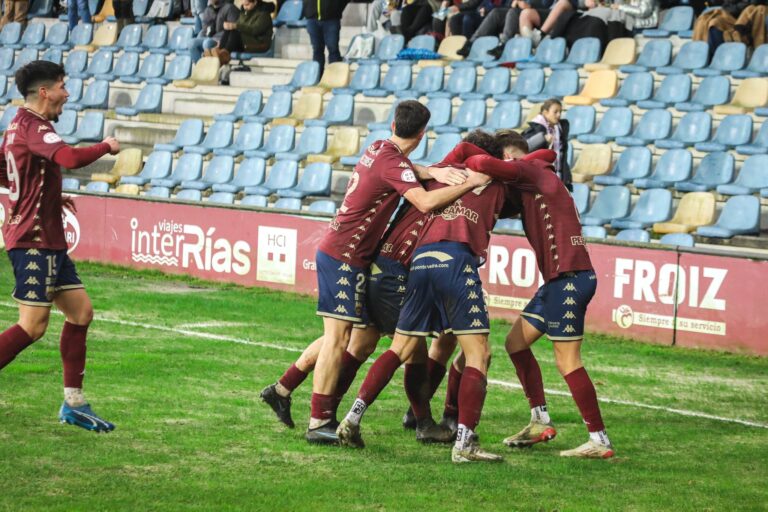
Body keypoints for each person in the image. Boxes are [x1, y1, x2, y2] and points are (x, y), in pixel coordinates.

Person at [305, 100, 490, 443]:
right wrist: (470, 182)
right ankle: (322, 421)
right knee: (354, 342)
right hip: (349, 255)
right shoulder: (398, 165)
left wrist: (432, 171)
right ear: (422, 135)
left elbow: (402, 167)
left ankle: (296, 396)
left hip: (356, 256)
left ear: (392, 124)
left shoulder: (379, 147)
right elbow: (424, 201)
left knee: (365, 342)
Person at [337, 131, 518, 463]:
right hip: (457, 261)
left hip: (419, 263)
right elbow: (526, 180)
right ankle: (464, 442)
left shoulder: (443, 174)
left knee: (400, 348)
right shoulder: (498, 183)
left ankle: (353, 416)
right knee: (479, 354)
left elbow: (431, 166)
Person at [466, 129, 615, 459]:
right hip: (558, 282)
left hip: (570, 279)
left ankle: (599, 439)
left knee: (567, 361)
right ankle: (539, 419)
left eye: (506, 161)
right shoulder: (534, 180)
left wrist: (464, 157)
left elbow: (483, 162)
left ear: (512, 159)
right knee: (515, 344)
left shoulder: (529, 171)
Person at [261, 202, 458, 443]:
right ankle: (419, 421)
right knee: (358, 340)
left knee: (358, 340)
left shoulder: (394, 172)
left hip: (365, 257)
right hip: (355, 257)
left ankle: (290, 394)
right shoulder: (397, 170)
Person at [0, 61, 120, 432]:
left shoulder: (15, 127)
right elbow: (68, 157)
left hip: (47, 239)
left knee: (81, 313)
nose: (67, 93)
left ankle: (74, 404)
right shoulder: (34, 127)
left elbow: (8, 175)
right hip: (34, 243)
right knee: (33, 326)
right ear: (44, 92)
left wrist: (51, 198)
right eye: (62, 87)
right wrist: (106, 146)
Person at [521, 98, 572, 191]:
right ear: (545, 112)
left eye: (560, 111)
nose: (559, 115)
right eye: (555, 112)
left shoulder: (560, 128)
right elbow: (524, 148)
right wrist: (542, 139)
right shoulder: (534, 129)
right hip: (540, 177)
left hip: (558, 175)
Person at [303, 0, 350, 76]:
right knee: (317, 50)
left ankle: (335, 78)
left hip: (331, 20)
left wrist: (336, 9)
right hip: (312, 19)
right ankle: (318, 79)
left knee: (333, 50)